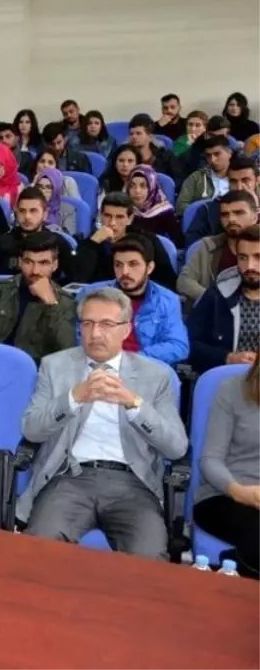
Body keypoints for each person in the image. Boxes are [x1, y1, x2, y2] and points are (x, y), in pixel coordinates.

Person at [18, 287, 188, 558]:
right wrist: (74, 397)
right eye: (88, 323)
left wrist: (134, 403)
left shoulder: (156, 376)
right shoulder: (55, 366)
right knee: (38, 549)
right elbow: (31, 429)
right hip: (69, 478)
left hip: (133, 484)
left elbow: (176, 448)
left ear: (126, 329)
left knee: (150, 558)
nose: (95, 333)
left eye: (107, 324)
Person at [191, 359, 260, 579]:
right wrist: (239, 492)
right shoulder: (231, 389)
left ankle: (238, 566)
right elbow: (210, 459)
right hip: (225, 494)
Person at [0, 232, 76, 362]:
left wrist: (51, 303)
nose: (35, 271)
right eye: (28, 262)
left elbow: (68, 351)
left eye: (43, 263)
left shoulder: (65, 301)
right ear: (20, 262)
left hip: (36, 372)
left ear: (54, 265)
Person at [90, 238, 189, 366]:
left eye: (133, 264)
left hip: (144, 370)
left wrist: (134, 358)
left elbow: (178, 346)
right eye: (118, 264)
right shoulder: (93, 296)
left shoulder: (167, 300)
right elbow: (81, 339)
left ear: (149, 267)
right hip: (100, 367)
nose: (124, 272)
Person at [188, 226, 260, 373]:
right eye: (243, 257)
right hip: (227, 379)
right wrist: (227, 358)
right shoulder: (217, 294)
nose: (250, 266)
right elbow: (189, 343)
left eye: (258, 257)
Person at [72, 193, 177, 290]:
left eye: (119, 217)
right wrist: (93, 243)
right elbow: (79, 279)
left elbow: (167, 281)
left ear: (130, 219)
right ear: (101, 216)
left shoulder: (148, 241)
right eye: (108, 216)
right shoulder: (89, 244)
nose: (112, 223)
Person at [0, 188, 72, 281]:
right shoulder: (4, 241)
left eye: (33, 211)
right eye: (22, 211)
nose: (27, 216)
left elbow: (74, 278)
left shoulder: (58, 243)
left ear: (45, 214)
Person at [179, 191, 259, 303]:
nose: (231, 219)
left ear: (255, 217)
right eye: (225, 214)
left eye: (239, 213)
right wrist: (216, 301)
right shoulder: (208, 246)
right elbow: (184, 281)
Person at [186, 156, 260, 245]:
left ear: (257, 181)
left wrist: (255, 209)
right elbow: (193, 247)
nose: (239, 187)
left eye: (245, 180)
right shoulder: (208, 210)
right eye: (233, 181)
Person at [176, 134, 234, 215]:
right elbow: (180, 206)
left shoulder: (240, 177)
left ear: (229, 153)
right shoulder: (196, 177)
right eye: (208, 156)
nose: (212, 160)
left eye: (217, 154)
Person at [126, 165, 182, 245]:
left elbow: (179, 243)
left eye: (143, 186)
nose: (137, 191)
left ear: (152, 188)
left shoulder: (165, 212)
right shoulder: (124, 209)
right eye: (132, 186)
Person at [126, 113, 176, 178]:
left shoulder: (165, 156)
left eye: (138, 133)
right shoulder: (126, 158)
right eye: (131, 134)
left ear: (149, 135)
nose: (134, 137)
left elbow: (177, 179)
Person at [33, 168, 78, 236]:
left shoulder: (68, 210)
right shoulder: (29, 206)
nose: (43, 191)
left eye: (48, 187)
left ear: (56, 189)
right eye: (40, 187)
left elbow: (68, 239)